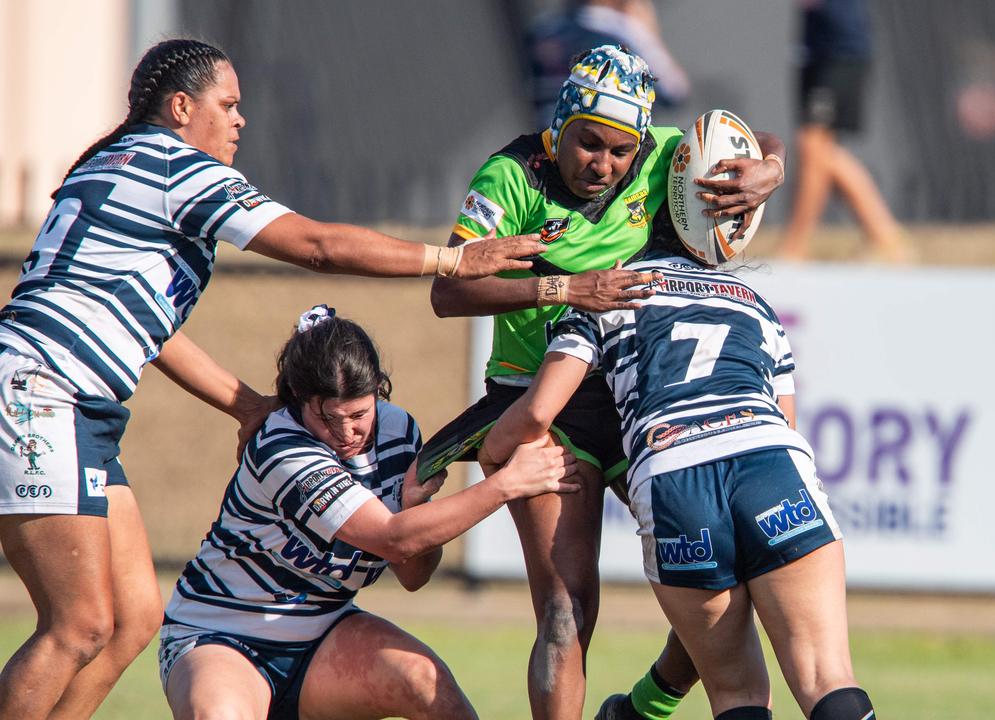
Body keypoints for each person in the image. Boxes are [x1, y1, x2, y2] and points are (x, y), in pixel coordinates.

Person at [0, 38, 545, 720]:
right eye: (226, 105)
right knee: (77, 624)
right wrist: (449, 260)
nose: (239, 121)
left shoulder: (116, 165)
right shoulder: (178, 168)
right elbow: (316, 245)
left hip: (72, 402)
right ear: (179, 107)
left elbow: (147, 328)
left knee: (134, 618)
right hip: (43, 391)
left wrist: (246, 405)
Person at [426, 45, 785, 720]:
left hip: (633, 393)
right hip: (542, 401)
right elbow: (448, 292)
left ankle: (643, 707)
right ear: (560, 124)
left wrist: (770, 168)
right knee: (565, 613)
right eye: (590, 144)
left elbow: (748, 139)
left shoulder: (663, 153)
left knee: (727, 577)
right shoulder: (509, 177)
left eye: (622, 152)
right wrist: (566, 288)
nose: (606, 165)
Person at [478, 224, 877, 720]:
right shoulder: (752, 301)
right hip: (766, 462)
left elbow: (539, 412)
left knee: (737, 695)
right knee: (826, 679)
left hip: (673, 478)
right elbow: (787, 419)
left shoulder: (605, 294)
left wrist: (492, 451)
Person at [159, 308, 578, 719]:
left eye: (358, 415)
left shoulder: (399, 431)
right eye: (328, 418)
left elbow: (414, 575)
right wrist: (507, 484)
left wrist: (416, 505)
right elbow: (392, 538)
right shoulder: (282, 447)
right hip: (221, 633)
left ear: (378, 388)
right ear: (301, 402)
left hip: (324, 632)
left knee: (426, 682)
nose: (345, 434)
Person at [777, 0, 910, 263]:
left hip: (841, 50)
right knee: (819, 150)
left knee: (814, 145)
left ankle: (795, 247)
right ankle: (886, 238)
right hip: (816, 49)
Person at [527, 0, 690, 127]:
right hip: (606, 153)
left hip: (545, 148)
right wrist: (647, 33)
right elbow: (673, 91)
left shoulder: (543, 33)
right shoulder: (622, 33)